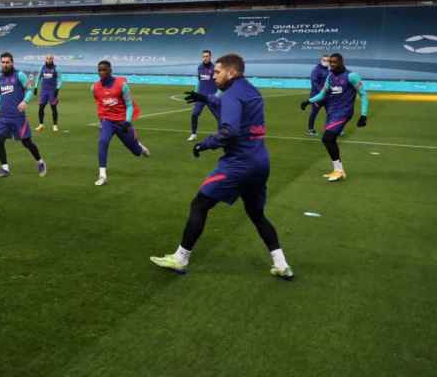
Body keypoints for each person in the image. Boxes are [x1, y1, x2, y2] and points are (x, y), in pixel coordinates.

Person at [152, 53, 293, 279]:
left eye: (218, 72)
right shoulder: (251, 91)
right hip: (260, 162)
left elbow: (229, 131)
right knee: (256, 214)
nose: (214, 76)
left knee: (199, 205)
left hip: (239, 163)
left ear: (231, 72)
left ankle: (180, 258)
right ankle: (281, 263)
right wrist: (206, 98)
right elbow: (233, 106)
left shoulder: (231, 95)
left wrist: (204, 144)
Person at [300, 53, 368, 182]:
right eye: (330, 62)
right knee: (329, 140)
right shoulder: (330, 77)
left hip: (344, 112)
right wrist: (308, 101)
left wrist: (363, 115)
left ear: (342, 62)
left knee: (328, 138)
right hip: (332, 112)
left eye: (335, 62)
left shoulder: (351, 76)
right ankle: (338, 170)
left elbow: (363, 94)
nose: (331, 64)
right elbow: (322, 94)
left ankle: (339, 170)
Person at [92, 60, 150, 187]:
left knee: (135, 151)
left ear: (110, 71)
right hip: (107, 121)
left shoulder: (122, 85)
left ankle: (140, 148)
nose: (101, 72)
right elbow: (99, 103)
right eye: (99, 70)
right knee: (102, 141)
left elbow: (129, 105)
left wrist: (127, 121)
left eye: (104, 70)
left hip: (122, 122)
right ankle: (102, 175)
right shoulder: (95, 87)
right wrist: (101, 120)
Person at [0, 52, 46, 178]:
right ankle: (5, 168)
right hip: (3, 117)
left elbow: (30, 90)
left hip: (18, 117)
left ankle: (40, 162)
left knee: (27, 142)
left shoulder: (20, 75)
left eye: (7, 62)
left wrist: (25, 101)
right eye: (3, 62)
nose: (5, 64)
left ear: (12, 63)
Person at [188, 50, 218, 141]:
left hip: (211, 96)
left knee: (219, 116)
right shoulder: (200, 67)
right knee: (194, 114)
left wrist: (217, 95)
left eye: (207, 56)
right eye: (203, 56)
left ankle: (223, 133)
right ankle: (193, 134)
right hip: (200, 96)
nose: (205, 58)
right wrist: (196, 93)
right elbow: (199, 81)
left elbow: (219, 82)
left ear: (210, 57)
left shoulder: (215, 68)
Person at [34, 55, 63, 132]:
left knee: (53, 108)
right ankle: (41, 125)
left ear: (53, 59)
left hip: (52, 91)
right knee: (41, 108)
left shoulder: (56, 68)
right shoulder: (42, 68)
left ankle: (55, 125)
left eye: (50, 58)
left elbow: (60, 79)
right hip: (44, 91)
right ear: (45, 59)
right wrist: (36, 87)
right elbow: (38, 77)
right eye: (47, 58)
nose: (49, 60)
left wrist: (57, 89)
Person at [307, 53, 330, 136]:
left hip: (327, 97)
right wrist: (322, 92)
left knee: (331, 113)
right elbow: (314, 82)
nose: (326, 62)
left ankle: (332, 129)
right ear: (321, 60)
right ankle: (311, 130)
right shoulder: (316, 70)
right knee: (314, 113)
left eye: (327, 60)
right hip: (316, 96)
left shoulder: (328, 70)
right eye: (324, 60)